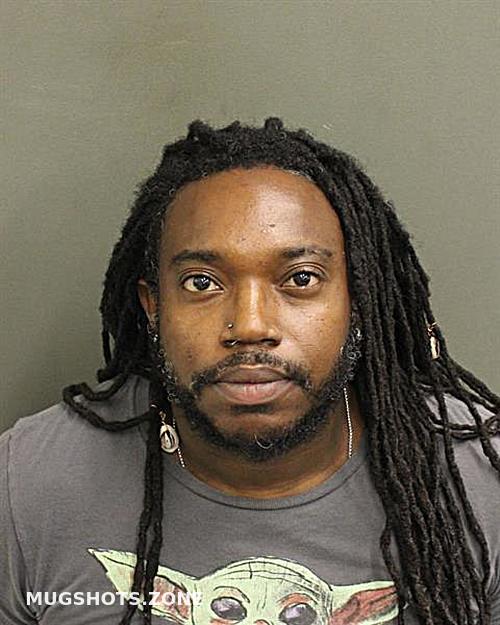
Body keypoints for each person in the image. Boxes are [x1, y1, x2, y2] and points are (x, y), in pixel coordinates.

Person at [1, 118, 499, 625]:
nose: (251, 326)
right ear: (154, 308)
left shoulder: (482, 479)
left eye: (300, 278)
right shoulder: (27, 485)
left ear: (358, 301)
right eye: (201, 283)